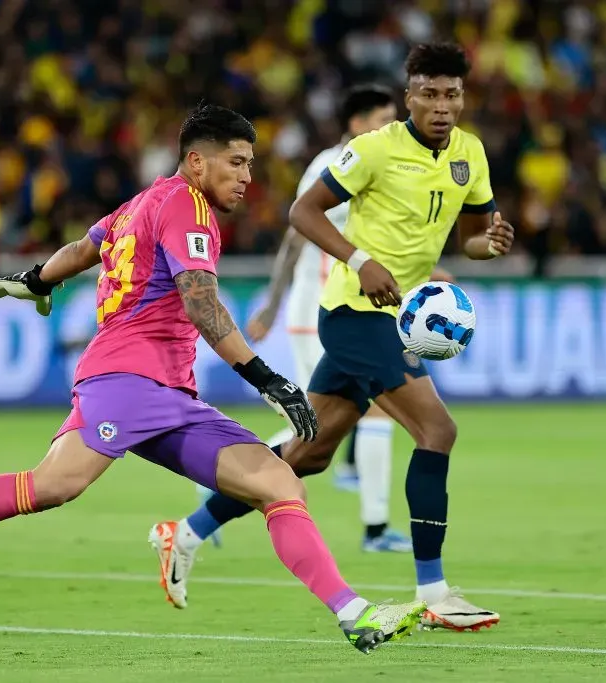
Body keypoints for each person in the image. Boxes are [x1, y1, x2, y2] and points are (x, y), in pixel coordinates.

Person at [0, 104, 425, 653]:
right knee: (54, 487)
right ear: (198, 161)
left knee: (279, 484)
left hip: (163, 390)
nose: (249, 176)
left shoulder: (141, 203)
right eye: (237, 161)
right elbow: (203, 305)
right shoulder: (187, 208)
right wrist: (266, 378)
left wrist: (38, 279)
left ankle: (355, 614)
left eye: (251, 163)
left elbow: (81, 248)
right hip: (128, 379)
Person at [150, 44, 514, 633]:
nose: (441, 105)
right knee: (437, 430)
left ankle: (185, 532)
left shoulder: (469, 155)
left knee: (309, 453)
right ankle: (436, 593)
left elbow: (471, 236)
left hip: (396, 317)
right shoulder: (371, 150)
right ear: (409, 95)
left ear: (462, 97)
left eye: (452, 94)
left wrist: (488, 244)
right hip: (353, 313)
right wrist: (360, 258)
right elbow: (303, 212)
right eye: (429, 93)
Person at [243, 84, 455, 553]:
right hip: (319, 308)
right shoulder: (327, 166)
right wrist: (274, 305)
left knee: (340, 422)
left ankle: (375, 526)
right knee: (313, 428)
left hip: (362, 310)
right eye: (382, 118)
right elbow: (297, 236)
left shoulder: (385, 162)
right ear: (356, 123)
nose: (392, 126)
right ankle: (227, 477)